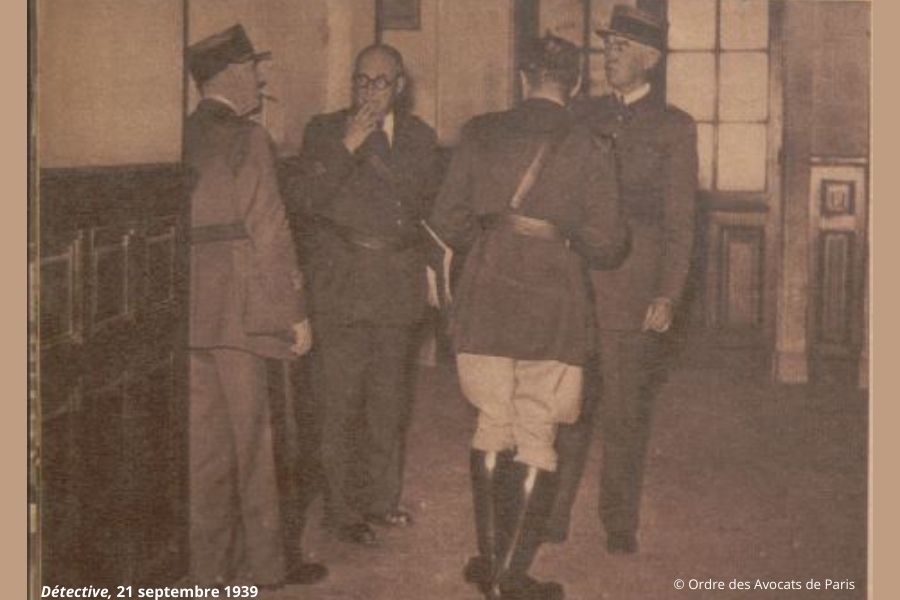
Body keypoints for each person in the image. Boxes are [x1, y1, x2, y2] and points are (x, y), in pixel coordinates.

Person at [428, 34, 629, 600]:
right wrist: (560, 237)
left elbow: (447, 220)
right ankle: (510, 577)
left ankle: (490, 562)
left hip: (487, 291)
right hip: (553, 297)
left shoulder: (479, 131)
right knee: (538, 426)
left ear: (522, 79)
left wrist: (493, 240)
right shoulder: (592, 143)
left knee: (492, 420)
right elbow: (610, 244)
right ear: (576, 86)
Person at [545, 5, 698, 555]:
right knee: (567, 406)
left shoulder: (674, 127)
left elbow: (681, 222)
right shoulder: (581, 114)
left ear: (651, 59)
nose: (609, 54)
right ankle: (552, 513)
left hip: (634, 291)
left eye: (621, 48)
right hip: (579, 284)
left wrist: (668, 293)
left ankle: (618, 521)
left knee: (625, 412)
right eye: (606, 46)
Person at [184, 24, 326, 587]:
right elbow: (270, 230)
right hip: (244, 310)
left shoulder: (179, 135)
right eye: (254, 70)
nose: (260, 81)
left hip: (191, 312)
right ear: (232, 75)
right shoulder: (250, 139)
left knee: (204, 455)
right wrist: (294, 312)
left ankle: (208, 573)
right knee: (256, 444)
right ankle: (265, 570)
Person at [290, 44, 442, 546]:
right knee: (339, 401)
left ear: (400, 87)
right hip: (342, 281)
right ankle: (342, 509)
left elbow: (425, 203)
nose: (369, 91)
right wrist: (348, 146)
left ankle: (381, 499)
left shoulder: (421, 138)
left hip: (396, 280)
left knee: (388, 401)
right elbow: (304, 200)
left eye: (381, 82)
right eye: (361, 80)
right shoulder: (324, 131)